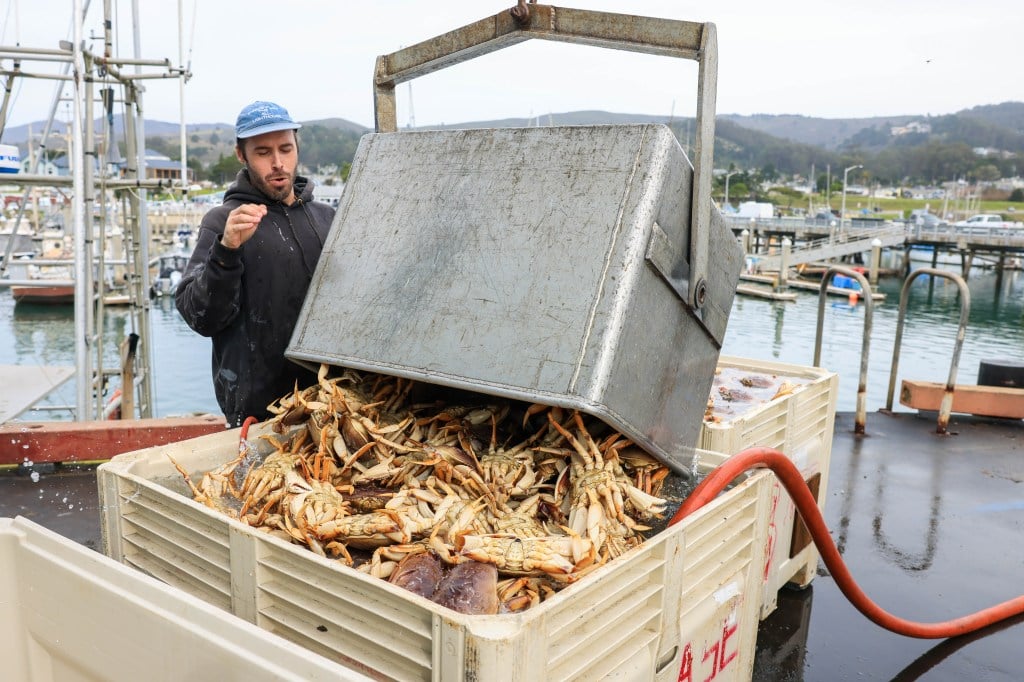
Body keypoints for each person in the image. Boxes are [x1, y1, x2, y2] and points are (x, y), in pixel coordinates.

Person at [176, 101, 336, 427]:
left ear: (297, 148)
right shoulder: (223, 221)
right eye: (263, 152)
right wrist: (227, 250)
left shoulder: (327, 218)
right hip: (260, 417)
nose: (278, 163)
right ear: (241, 155)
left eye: (285, 149)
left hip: (332, 405)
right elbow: (199, 316)